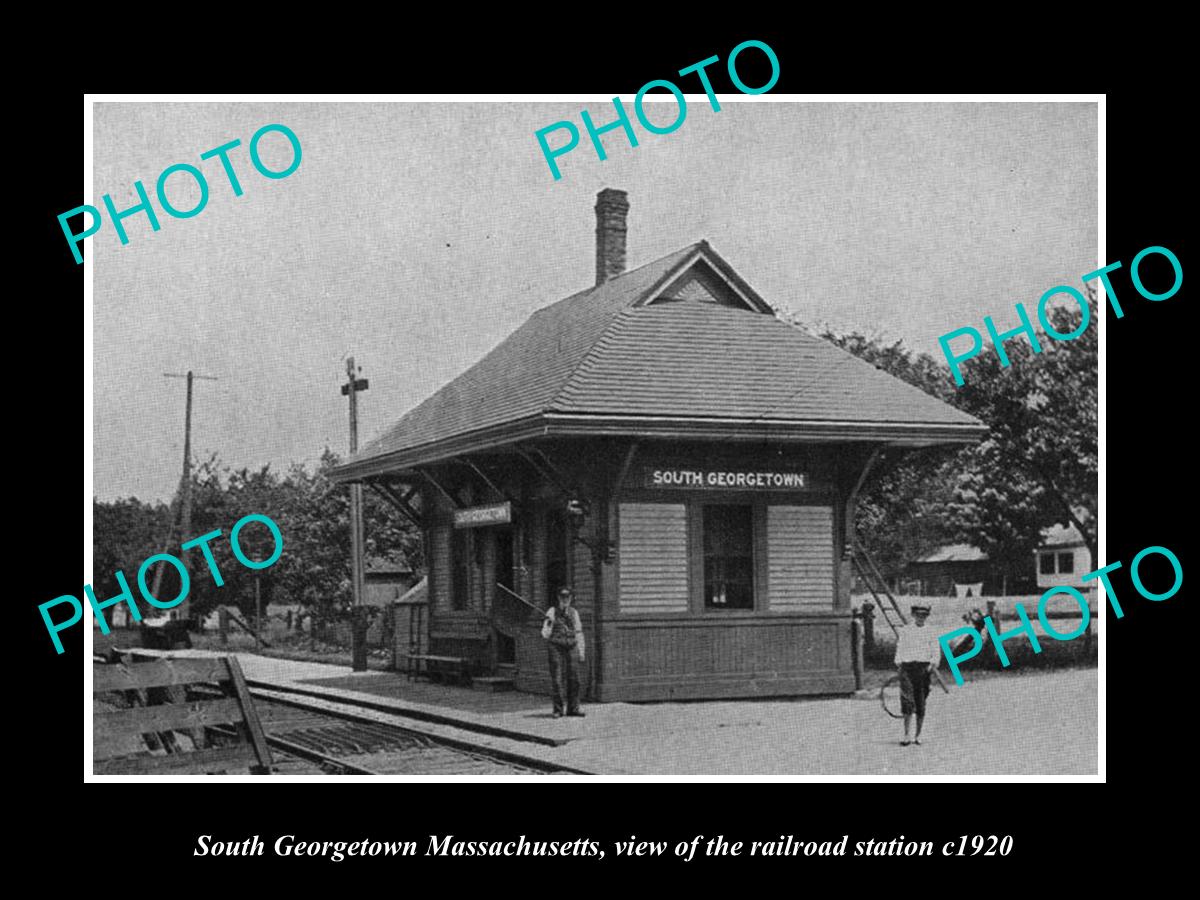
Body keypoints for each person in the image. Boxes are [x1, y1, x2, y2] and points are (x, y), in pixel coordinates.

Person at [893, 603, 942, 746]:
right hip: (907, 667)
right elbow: (900, 647)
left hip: (923, 669)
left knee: (920, 702)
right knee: (907, 701)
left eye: (924, 615)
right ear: (913, 615)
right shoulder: (906, 630)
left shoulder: (931, 631)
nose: (921, 618)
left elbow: (935, 650)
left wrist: (933, 663)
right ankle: (906, 734)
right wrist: (899, 662)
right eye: (918, 615)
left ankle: (918, 734)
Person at [541, 586, 585, 718]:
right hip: (556, 646)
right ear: (558, 598)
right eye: (562, 597)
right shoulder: (552, 612)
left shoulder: (574, 612)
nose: (565, 600)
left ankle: (573, 709)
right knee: (557, 678)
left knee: (574, 678)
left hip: (572, 645)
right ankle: (558, 710)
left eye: (568, 597)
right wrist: (550, 623)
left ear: (571, 598)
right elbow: (545, 634)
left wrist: (581, 651)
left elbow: (579, 632)